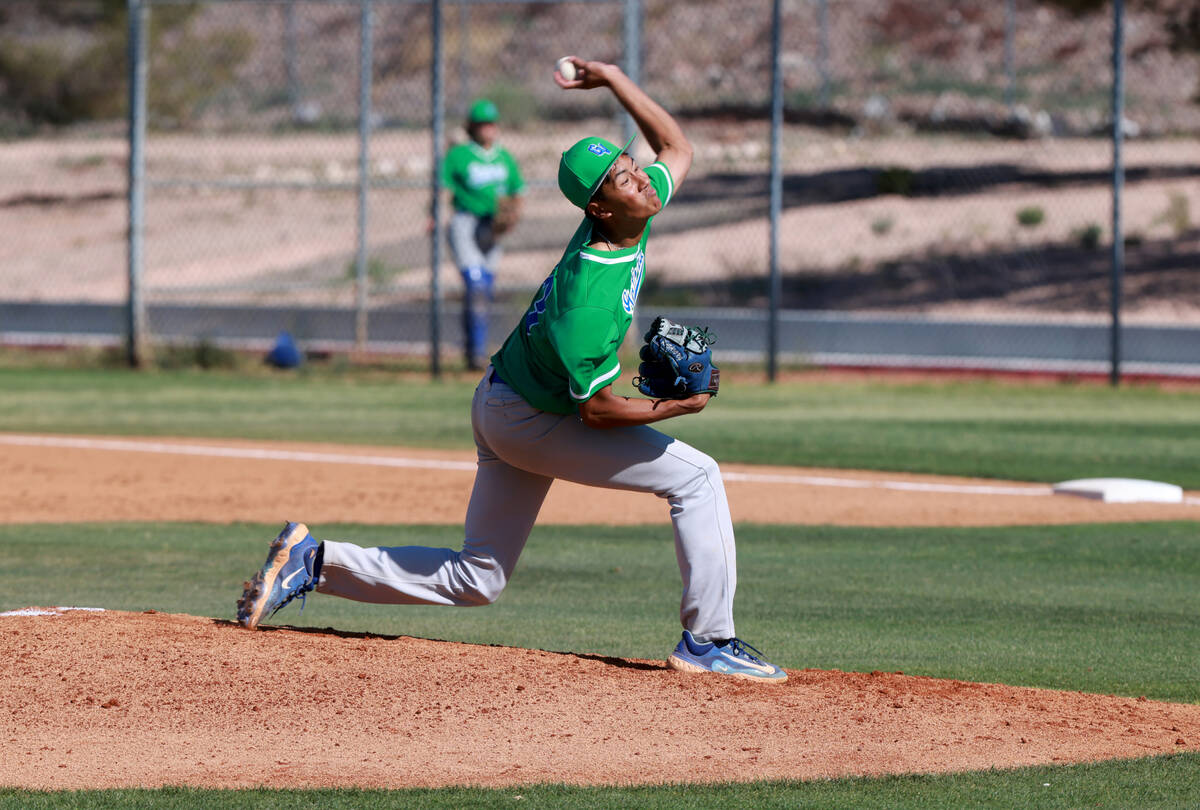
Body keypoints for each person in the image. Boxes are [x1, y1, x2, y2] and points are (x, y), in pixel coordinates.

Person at [237, 58, 786, 683]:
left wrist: (611, 79)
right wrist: (676, 409)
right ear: (600, 208)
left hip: (504, 402)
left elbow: (675, 144)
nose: (643, 182)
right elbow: (597, 411)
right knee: (696, 478)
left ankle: (315, 562)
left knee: (478, 579)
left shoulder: (629, 214)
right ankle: (708, 641)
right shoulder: (588, 302)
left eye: (633, 170)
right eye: (623, 181)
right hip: (531, 419)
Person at [440, 98, 526, 369]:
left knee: (484, 290)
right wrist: (436, 215)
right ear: (472, 127)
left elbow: (517, 192)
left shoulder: (504, 157)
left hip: (492, 229)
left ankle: (473, 348)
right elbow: (444, 189)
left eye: (491, 123)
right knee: (476, 285)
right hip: (465, 224)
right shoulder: (459, 155)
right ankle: (476, 353)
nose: (488, 129)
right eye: (482, 124)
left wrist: (512, 217)